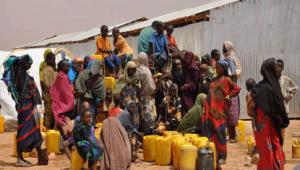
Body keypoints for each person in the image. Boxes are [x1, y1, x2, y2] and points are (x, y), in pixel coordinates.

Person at [2, 55, 48, 167]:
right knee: (24, 131)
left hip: (31, 107)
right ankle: (20, 159)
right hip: (25, 108)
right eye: (28, 63)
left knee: (35, 130)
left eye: (31, 64)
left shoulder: (25, 75)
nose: (29, 66)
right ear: (23, 63)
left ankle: (40, 156)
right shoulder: (20, 74)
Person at [251, 58, 288, 170]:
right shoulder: (273, 87)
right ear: (270, 70)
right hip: (272, 126)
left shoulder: (257, 88)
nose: (278, 70)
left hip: (261, 127)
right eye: (275, 67)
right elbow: (280, 107)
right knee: (275, 149)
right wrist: (283, 119)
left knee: (265, 151)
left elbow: (252, 110)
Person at [201, 60, 241, 165]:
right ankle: (211, 154)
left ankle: (222, 156)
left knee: (220, 133)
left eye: (219, 68)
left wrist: (229, 96)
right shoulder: (214, 79)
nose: (217, 69)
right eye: (216, 67)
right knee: (209, 132)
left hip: (220, 111)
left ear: (224, 68)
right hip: (210, 110)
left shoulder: (227, 80)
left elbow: (237, 89)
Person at [75, 60, 105, 125]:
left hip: (86, 101)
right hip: (87, 101)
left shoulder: (83, 74)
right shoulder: (98, 78)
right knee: (87, 119)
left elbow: (79, 89)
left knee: (86, 119)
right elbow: (102, 95)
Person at [223, 41, 241, 143]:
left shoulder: (230, 59)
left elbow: (232, 73)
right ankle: (231, 136)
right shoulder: (232, 58)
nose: (223, 50)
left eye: (225, 48)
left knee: (231, 113)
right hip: (230, 89)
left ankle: (233, 136)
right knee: (228, 113)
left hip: (230, 90)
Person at [276, 59, 297, 144]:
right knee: (274, 130)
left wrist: (287, 97)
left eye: (280, 66)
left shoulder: (285, 79)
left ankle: (280, 148)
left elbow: (294, 88)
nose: (278, 68)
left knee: (282, 130)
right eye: (277, 66)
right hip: (274, 109)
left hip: (283, 108)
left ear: (283, 68)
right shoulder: (272, 79)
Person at [51, 60, 75, 133]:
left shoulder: (61, 75)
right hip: (65, 107)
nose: (68, 68)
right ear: (62, 67)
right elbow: (66, 94)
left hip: (60, 105)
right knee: (66, 128)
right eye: (66, 66)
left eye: (69, 66)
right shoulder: (63, 77)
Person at [136, 52, 156, 134]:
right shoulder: (147, 71)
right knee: (149, 116)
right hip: (147, 97)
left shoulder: (137, 70)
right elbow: (151, 87)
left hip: (140, 97)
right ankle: (148, 133)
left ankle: (143, 133)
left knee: (142, 115)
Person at [42, 51, 57, 129]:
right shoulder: (48, 70)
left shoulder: (52, 70)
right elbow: (49, 84)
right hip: (50, 95)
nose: (53, 61)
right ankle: (48, 132)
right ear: (47, 60)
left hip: (53, 94)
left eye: (54, 59)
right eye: (51, 59)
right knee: (49, 114)